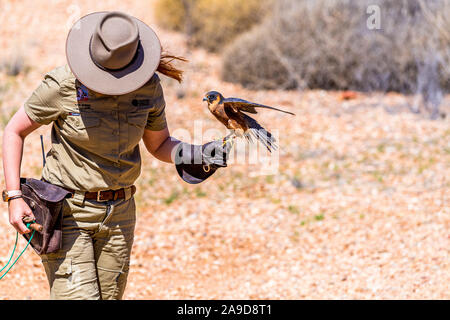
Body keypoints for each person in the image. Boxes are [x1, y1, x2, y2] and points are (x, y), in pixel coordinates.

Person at [2, 11, 229, 300]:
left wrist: (197, 154)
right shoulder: (63, 85)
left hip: (120, 216)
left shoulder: (148, 87)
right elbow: (14, 131)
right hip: (69, 212)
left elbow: (159, 145)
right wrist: (14, 196)